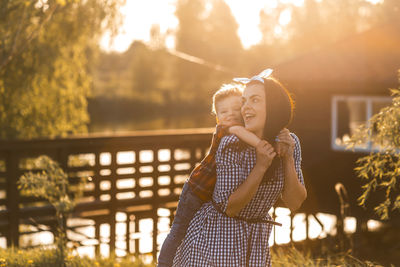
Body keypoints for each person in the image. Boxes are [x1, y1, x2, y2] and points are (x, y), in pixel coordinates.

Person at [172, 70, 307, 267]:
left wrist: (287, 158)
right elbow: (231, 208)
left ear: (274, 106)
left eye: (255, 100)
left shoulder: (290, 141)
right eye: (244, 101)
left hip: (255, 243)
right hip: (214, 239)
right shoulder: (232, 143)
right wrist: (260, 167)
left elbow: (295, 202)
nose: (245, 108)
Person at [157, 84, 263, 267]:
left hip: (207, 193)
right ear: (217, 117)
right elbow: (243, 133)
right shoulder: (226, 131)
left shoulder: (239, 131)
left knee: (193, 231)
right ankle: (164, 264)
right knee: (179, 230)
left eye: (235, 109)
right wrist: (263, 145)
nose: (229, 115)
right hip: (195, 190)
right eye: (223, 112)